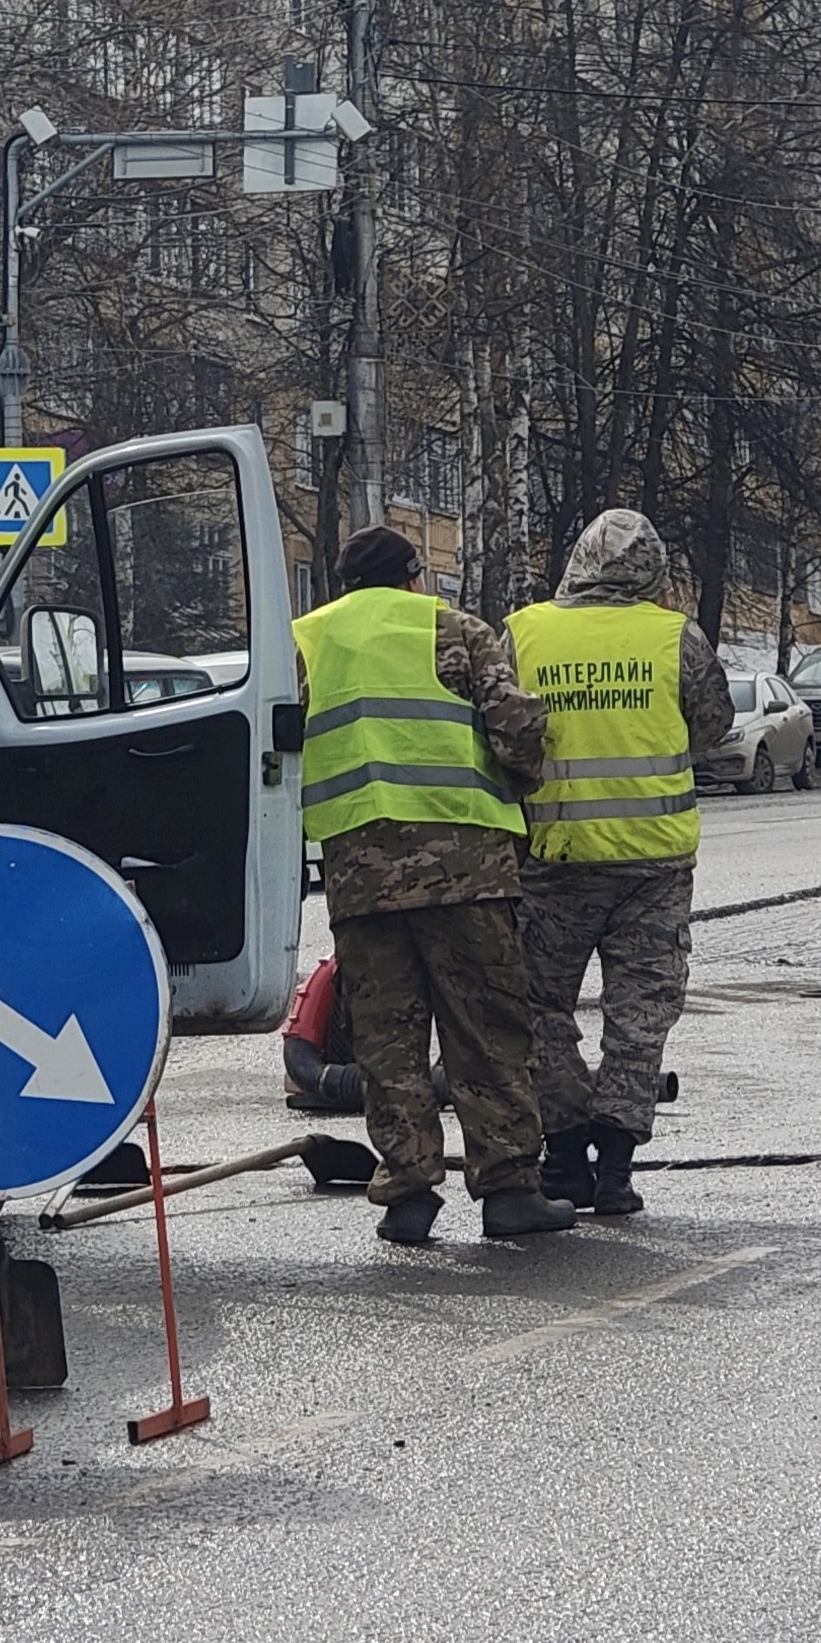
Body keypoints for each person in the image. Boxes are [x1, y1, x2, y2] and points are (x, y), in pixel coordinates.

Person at [293, 523, 574, 1245]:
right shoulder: (456, 630)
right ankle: (509, 1190)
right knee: (489, 1034)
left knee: (387, 1042)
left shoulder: (308, 640)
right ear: (414, 575)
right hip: (468, 871)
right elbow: (516, 732)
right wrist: (525, 783)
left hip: (359, 875)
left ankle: (409, 1195)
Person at [509, 510, 731, 1216]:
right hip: (654, 865)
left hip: (554, 861)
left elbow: (499, 732)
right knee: (639, 1017)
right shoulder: (675, 637)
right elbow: (713, 725)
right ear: (654, 574)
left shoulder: (525, 632)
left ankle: (565, 1152)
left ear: (576, 562)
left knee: (540, 1009)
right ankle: (617, 1170)